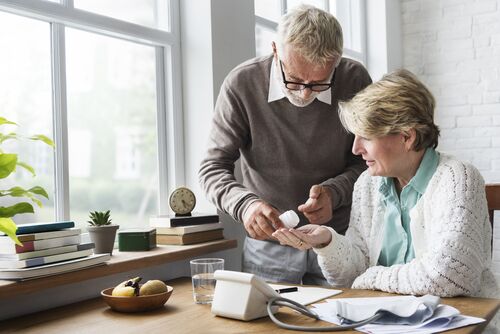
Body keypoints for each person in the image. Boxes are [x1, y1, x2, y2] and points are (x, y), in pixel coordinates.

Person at [272, 69, 498, 298]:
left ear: (407, 137)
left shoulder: (458, 179)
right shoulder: (367, 184)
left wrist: (373, 277)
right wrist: (327, 242)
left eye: (366, 136)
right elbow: (353, 275)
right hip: (386, 321)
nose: (355, 149)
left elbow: (452, 275)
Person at [198, 5, 372, 285]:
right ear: (276, 50)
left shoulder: (355, 80)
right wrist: (245, 205)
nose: (304, 93)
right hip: (268, 248)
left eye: (319, 83)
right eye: (294, 80)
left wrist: (334, 193)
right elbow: (212, 168)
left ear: (337, 61)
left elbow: (368, 162)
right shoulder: (242, 84)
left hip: (339, 241)